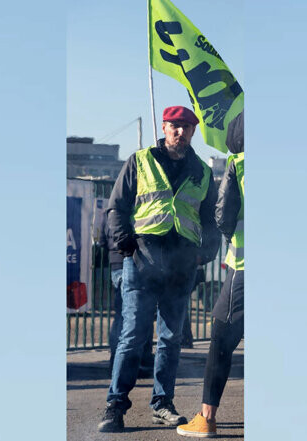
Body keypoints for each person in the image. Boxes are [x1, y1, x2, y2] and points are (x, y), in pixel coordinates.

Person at [98, 106, 221, 432]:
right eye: (175, 126)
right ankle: (115, 406)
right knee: (132, 337)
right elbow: (116, 207)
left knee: (170, 340)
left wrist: (201, 256)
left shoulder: (202, 173)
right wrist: (126, 245)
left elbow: (211, 221)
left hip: (181, 267)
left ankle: (162, 404)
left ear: (193, 132)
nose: (180, 132)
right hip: (142, 261)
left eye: (186, 127)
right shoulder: (140, 161)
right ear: (164, 127)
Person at [177, 111, 244, 438]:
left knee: (220, 339)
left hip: (245, 268)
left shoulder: (241, 164)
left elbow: (223, 216)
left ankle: (206, 417)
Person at [104, 221, 155, 378]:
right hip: (131, 258)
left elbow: (102, 239)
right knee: (137, 314)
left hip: (118, 260)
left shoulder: (111, 211)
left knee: (123, 315)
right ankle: (138, 362)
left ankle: (118, 362)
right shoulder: (132, 207)